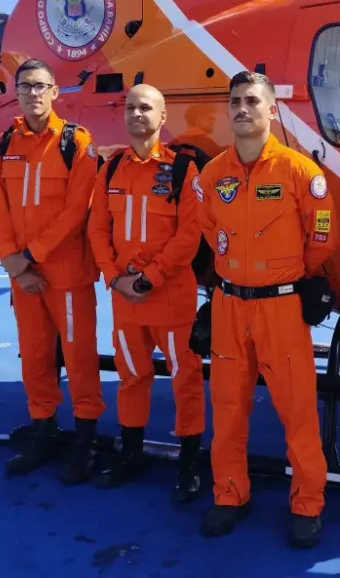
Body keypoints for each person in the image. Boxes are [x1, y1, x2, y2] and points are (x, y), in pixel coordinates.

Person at [195, 71, 338, 548]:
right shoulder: (213, 175)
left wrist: (290, 275)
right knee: (227, 408)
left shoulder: (300, 172)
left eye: (252, 100)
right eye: (235, 100)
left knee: (297, 412)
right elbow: (209, 227)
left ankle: (307, 503)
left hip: (281, 308)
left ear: (272, 110)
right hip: (229, 306)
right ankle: (229, 493)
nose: (242, 108)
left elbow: (322, 236)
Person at [86, 84, 206, 502]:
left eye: (146, 108)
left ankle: (190, 461)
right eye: (131, 107)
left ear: (162, 116)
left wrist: (150, 277)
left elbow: (190, 234)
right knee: (131, 375)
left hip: (170, 298)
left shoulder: (182, 169)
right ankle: (131, 452)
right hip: (125, 298)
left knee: (185, 378)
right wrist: (113, 277)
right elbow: (97, 229)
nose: (137, 114)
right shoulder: (111, 168)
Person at [0, 57, 104, 485]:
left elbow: (77, 210)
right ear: (16, 93)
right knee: (35, 357)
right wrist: (13, 263)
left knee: (79, 358)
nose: (33, 93)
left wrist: (29, 255)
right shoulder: (4, 144)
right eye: (25, 86)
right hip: (24, 277)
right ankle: (44, 431)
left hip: (67, 275)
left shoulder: (76, 142)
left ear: (55, 92)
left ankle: (86, 440)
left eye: (40, 86)